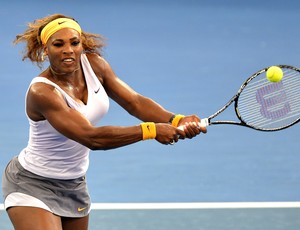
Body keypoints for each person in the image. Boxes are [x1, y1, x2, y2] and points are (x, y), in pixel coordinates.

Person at [2, 14, 207, 230]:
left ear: (82, 44)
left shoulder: (94, 66)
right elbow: (92, 138)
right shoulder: (42, 92)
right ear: (46, 50)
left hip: (74, 184)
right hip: (32, 183)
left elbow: (134, 102)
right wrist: (151, 130)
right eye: (58, 44)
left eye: (74, 42)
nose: (68, 50)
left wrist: (175, 119)